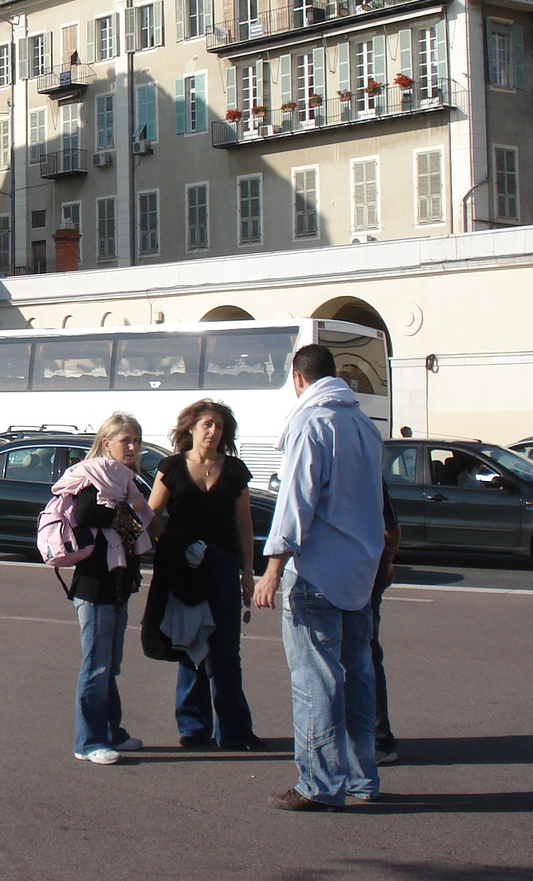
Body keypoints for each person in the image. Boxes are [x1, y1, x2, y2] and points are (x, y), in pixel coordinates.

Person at [254, 344, 385, 812]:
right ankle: (361, 777)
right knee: (358, 676)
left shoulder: (311, 424)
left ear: (298, 378)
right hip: (359, 571)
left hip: (316, 572)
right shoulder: (363, 424)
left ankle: (318, 783)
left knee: (315, 679)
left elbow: (294, 502)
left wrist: (272, 566)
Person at [146, 400, 267, 752]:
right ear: (191, 429)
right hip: (184, 567)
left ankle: (234, 731)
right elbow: (151, 512)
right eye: (207, 425)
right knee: (190, 643)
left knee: (226, 649)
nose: (214, 432)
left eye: (219, 426)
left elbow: (244, 524)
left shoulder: (234, 470)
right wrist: (168, 545)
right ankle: (194, 727)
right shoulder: (171, 467)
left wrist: (247, 570)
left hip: (223, 565)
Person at [52, 413, 155, 765]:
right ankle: (88, 741)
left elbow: (140, 531)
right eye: (125, 440)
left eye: (136, 440)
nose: (132, 447)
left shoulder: (127, 481)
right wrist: (129, 520)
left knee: (111, 665)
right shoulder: (95, 476)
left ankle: (111, 732)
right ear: (106, 442)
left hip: (118, 583)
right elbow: (87, 514)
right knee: (96, 664)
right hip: (94, 585)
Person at [372, 486, 402, 765]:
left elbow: (392, 530)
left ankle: (378, 739)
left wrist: (386, 558)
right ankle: (376, 738)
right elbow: (392, 530)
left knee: (364, 658)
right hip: (369, 568)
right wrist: (387, 559)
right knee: (366, 656)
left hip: (357, 574)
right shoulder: (369, 471)